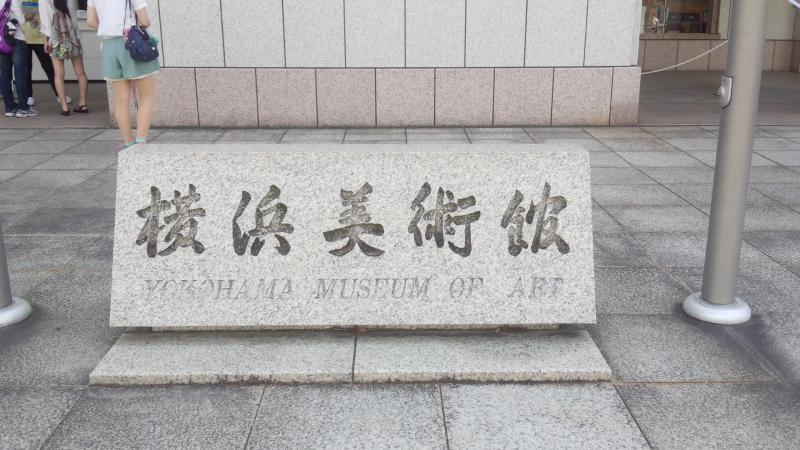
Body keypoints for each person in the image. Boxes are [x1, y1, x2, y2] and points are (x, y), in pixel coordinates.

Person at [87, 0, 158, 146]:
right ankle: (140, 142)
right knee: (146, 96)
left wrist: (109, 27)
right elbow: (144, 21)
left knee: (122, 99)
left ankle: (128, 143)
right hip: (131, 44)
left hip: (108, 46)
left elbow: (91, 21)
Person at [40, 0, 88, 115]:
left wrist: (45, 41)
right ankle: (83, 104)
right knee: (80, 72)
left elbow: (45, 21)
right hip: (74, 37)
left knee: (59, 73)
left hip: (56, 39)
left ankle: (65, 108)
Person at [15, 0, 65, 107]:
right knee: (26, 69)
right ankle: (29, 96)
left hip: (40, 38)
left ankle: (59, 94)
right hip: (24, 38)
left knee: (49, 67)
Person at [0, 0, 38, 117]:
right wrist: (28, 17)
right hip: (16, 40)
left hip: (2, 41)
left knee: (5, 75)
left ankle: (9, 108)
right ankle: (23, 108)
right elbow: (20, 20)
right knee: (20, 73)